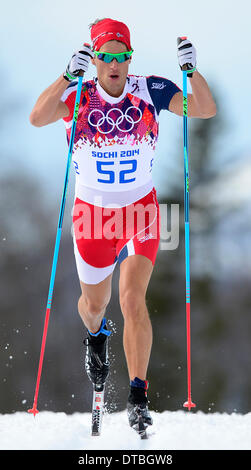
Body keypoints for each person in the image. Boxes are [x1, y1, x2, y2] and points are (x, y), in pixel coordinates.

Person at [29, 18, 216, 430]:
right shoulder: (80, 95)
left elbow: (204, 108)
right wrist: (65, 76)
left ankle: (137, 395)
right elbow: (37, 117)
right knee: (94, 307)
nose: (115, 65)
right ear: (94, 59)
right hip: (91, 216)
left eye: (122, 57)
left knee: (132, 299)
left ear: (131, 59)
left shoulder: (149, 90)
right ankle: (96, 338)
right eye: (106, 57)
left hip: (141, 212)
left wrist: (191, 72)